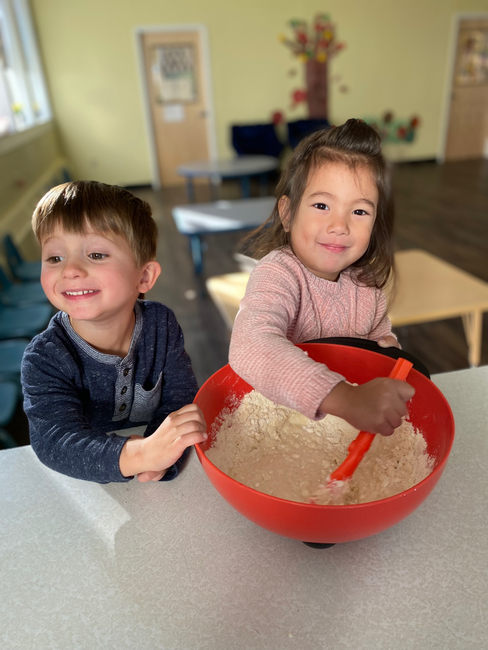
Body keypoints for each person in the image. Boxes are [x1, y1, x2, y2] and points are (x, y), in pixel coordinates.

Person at [229, 119, 414, 437]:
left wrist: (386, 350)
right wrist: (349, 398)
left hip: (343, 426)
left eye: (359, 212)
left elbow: (377, 338)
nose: (339, 225)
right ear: (287, 214)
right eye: (321, 205)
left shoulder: (367, 285)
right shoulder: (278, 273)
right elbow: (250, 346)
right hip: (278, 422)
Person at [21, 180, 207, 483]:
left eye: (95, 255)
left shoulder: (161, 324)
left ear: (144, 276)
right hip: (90, 481)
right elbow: (54, 441)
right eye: (55, 258)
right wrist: (142, 455)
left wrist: (162, 457)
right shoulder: (45, 357)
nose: (70, 270)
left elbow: (179, 400)